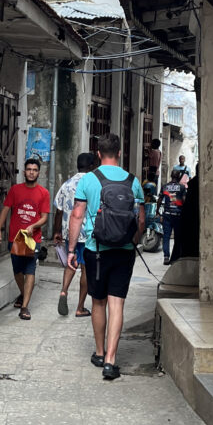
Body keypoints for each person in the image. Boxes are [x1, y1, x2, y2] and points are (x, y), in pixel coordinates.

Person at [68, 133, 145, 381]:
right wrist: (133, 242)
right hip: (123, 251)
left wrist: (71, 250)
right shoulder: (133, 181)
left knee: (98, 301)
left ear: (98, 154)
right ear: (120, 153)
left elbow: (77, 215)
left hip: (96, 250)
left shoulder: (88, 180)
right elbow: (141, 220)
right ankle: (111, 361)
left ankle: (100, 352)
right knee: (117, 303)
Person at [0, 158, 50, 320]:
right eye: (29, 169)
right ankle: (22, 293)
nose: (31, 172)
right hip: (15, 237)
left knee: (30, 269)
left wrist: (33, 226)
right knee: (17, 271)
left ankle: (25, 306)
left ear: (38, 173)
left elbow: (44, 217)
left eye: (34, 170)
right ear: (24, 172)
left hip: (33, 238)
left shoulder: (44, 193)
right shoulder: (15, 190)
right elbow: (6, 209)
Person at [53, 152, 96, 317]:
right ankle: (80, 307)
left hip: (69, 232)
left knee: (70, 264)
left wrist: (57, 231)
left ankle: (64, 291)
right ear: (91, 166)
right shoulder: (92, 184)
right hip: (87, 234)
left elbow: (59, 210)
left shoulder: (67, 184)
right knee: (86, 269)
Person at [158, 168, 187, 265]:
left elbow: (160, 199)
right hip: (178, 215)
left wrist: (157, 210)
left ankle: (166, 257)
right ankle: (175, 257)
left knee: (166, 236)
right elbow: (184, 201)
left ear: (171, 175)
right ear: (179, 176)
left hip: (167, 214)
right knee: (177, 237)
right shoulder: (182, 187)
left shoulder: (165, 186)